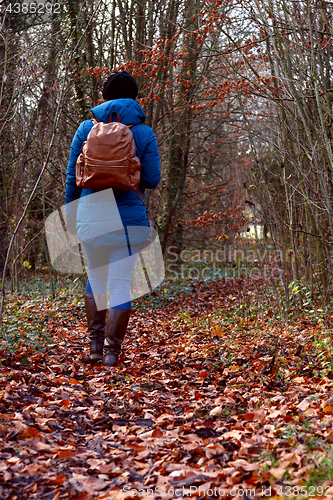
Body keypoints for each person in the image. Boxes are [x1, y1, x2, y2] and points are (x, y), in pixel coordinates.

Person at [65, 71, 161, 366]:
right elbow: (154, 179)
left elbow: (73, 177)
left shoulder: (85, 128)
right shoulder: (143, 132)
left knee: (96, 277)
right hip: (130, 216)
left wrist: (72, 215)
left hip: (93, 215)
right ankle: (111, 352)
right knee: (120, 283)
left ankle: (94, 346)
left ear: (104, 96)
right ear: (135, 97)